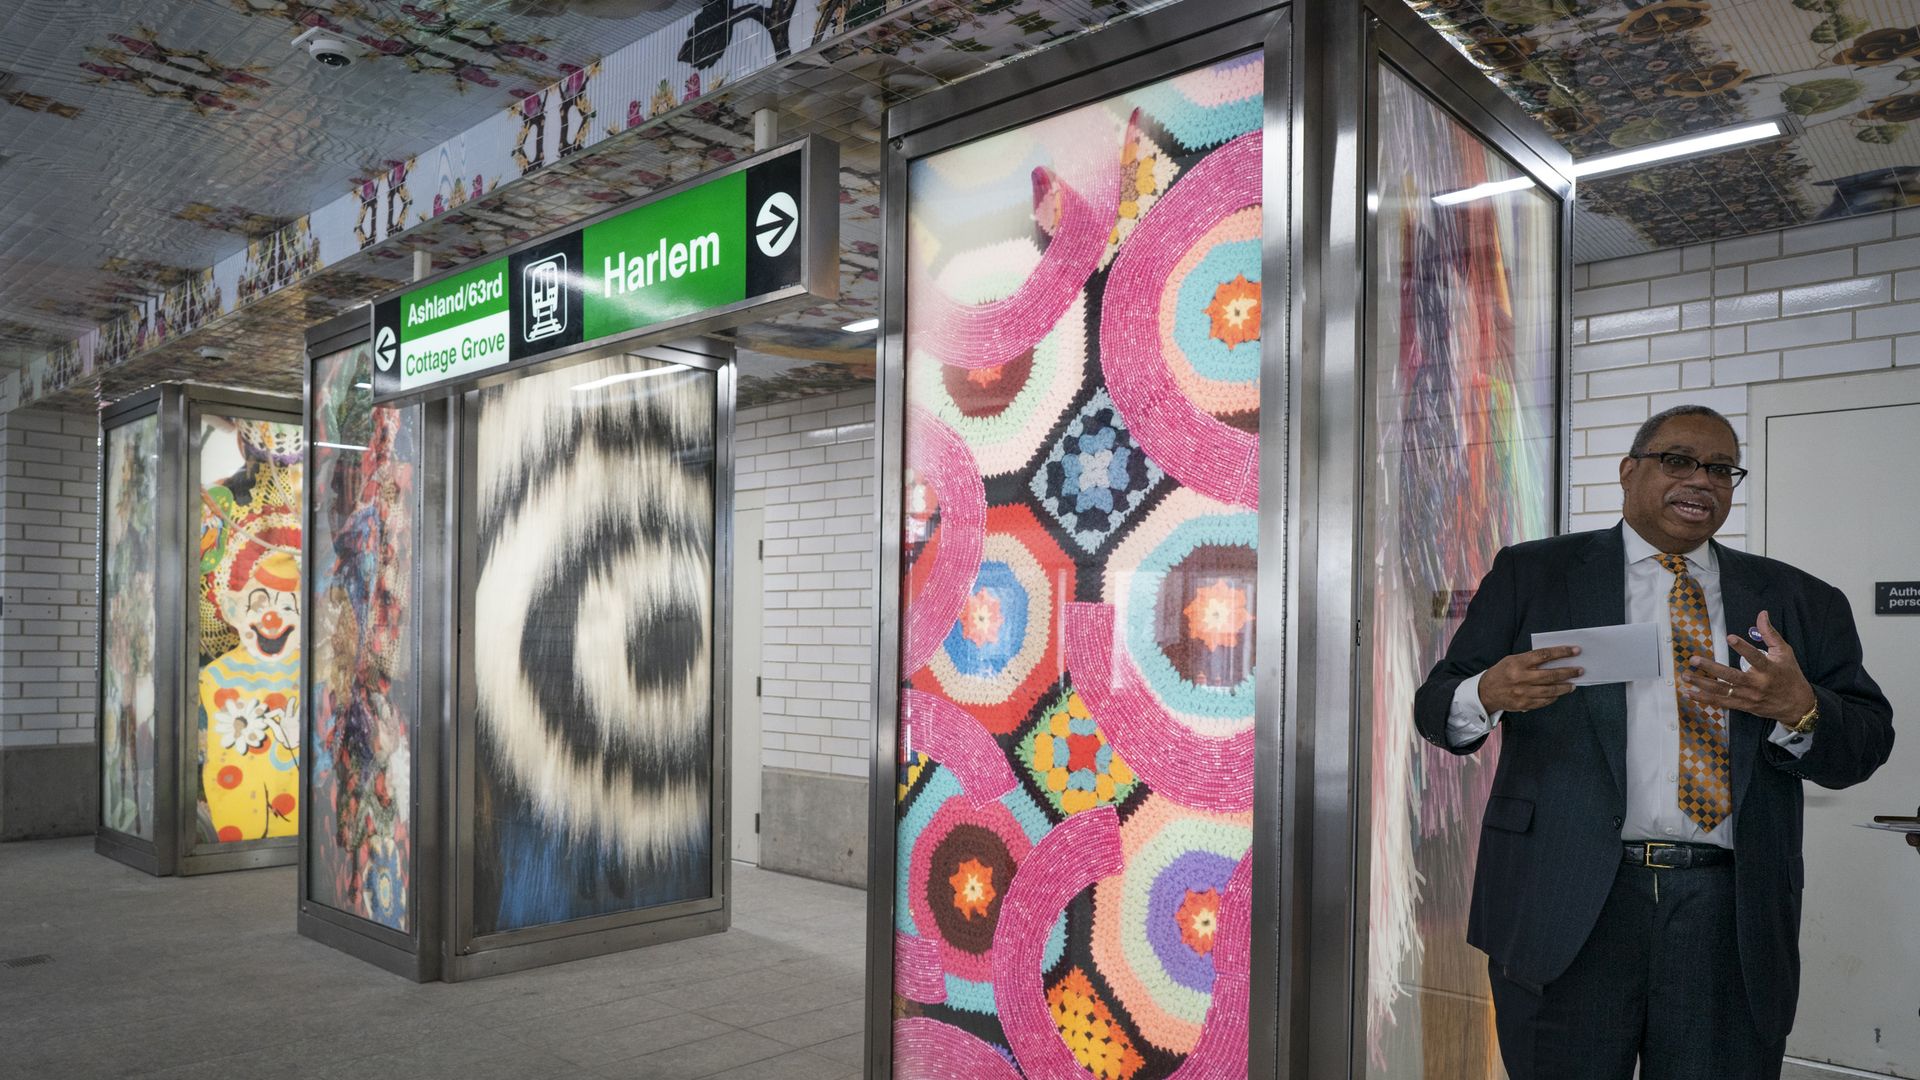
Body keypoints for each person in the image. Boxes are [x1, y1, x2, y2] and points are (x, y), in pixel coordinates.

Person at [1414, 404, 1894, 1080]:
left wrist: (1803, 709)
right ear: (1629, 471)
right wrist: (1487, 693)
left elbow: (1868, 743)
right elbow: (1436, 707)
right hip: (1565, 905)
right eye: (1678, 460)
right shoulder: (1535, 575)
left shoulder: (1798, 600)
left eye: (1721, 468)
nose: (1701, 480)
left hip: (1728, 917)